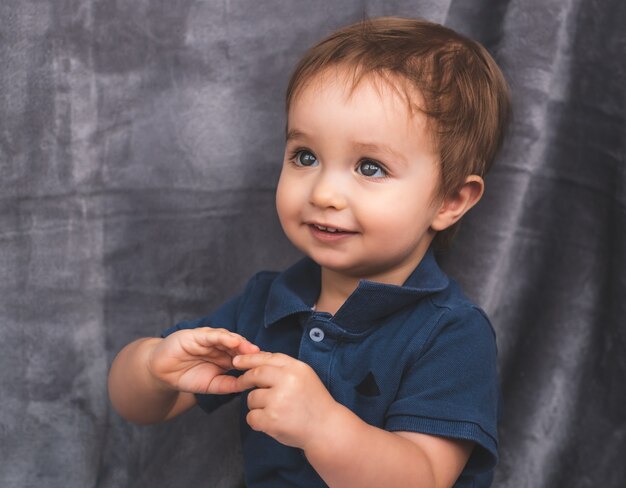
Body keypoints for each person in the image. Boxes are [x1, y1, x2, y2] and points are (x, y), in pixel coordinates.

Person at [108, 16, 510, 488]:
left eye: (370, 167)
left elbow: (422, 476)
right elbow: (137, 407)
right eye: (305, 157)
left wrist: (323, 427)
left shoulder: (451, 334)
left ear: (450, 201)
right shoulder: (267, 302)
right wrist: (153, 366)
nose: (324, 192)